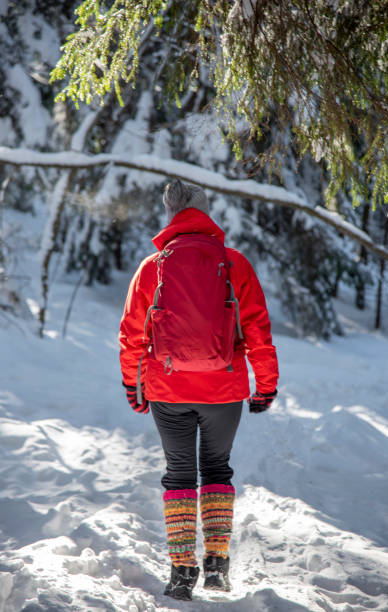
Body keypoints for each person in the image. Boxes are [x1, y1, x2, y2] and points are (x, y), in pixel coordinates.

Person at [119, 179, 279, 601]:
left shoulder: (152, 267)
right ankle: (216, 568)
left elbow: (132, 335)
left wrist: (133, 384)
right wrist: (264, 385)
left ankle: (181, 573)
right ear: (206, 214)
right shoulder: (234, 263)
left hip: (167, 390)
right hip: (224, 390)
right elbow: (259, 332)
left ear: (170, 214)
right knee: (216, 470)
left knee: (179, 474)